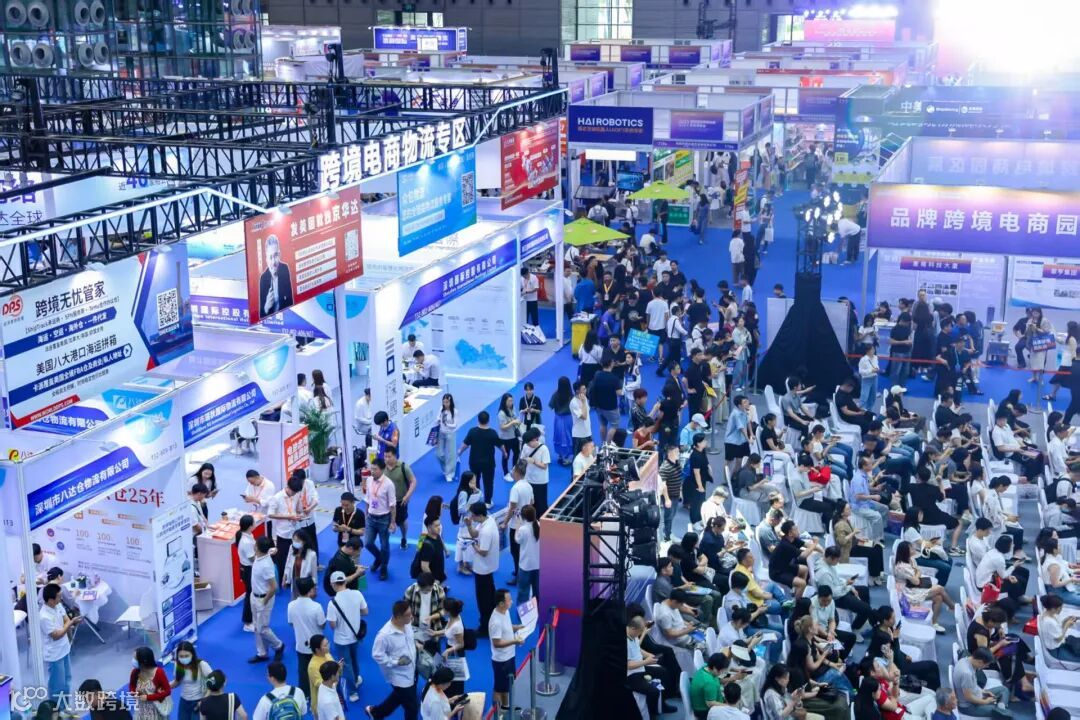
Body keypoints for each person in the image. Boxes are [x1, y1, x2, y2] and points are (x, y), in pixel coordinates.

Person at [368, 600, 419, 720]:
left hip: (412, 669)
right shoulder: (384, 635)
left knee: (399, 697)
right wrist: (396, 662)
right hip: (399, 676)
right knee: (412, 707)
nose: (411, 617)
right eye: (408, 615)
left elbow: (408, 639)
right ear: (398, 617)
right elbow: (377, 655)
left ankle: (376, 713)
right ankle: (376, 713)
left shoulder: (407, 623)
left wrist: (416, 645)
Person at [893, 541, 953, 633]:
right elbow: (916, 580)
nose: (914, 549)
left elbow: (918, 572)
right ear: (906, 552)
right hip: (908, 593)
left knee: (938, 598)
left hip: (912, 587)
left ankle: (934, 623)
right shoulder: (902, 567)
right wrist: (917, 573)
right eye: (911, 548)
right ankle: (952, 607)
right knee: (940, 588)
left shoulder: (911, 560)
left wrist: (916, 574)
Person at [326, 571, 368, 702]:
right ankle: (356, 679)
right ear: (345, 581)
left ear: (333, 584)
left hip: (341, 640)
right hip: (356, 636)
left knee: (346, 665)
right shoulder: (357, 594)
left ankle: (353, 692)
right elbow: (365, 611)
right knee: (355, 659)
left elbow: (333, 625)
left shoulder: (332, 603)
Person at [286, 577, 325, 701]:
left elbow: (291, 623)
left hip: (301, 645)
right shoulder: (317, 607)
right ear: (311, 589)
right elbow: (322, 624)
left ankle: (305, 695)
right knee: (320, 670)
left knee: (303, 671)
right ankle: (320, 693)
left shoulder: (291, 605)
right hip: (317, 646)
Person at [249, 536, 286, 663]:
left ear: (257, 548)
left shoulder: (265, 565)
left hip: (263, 598)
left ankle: (278, 645)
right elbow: (271, 550)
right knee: (256, 627)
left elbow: (274, 587)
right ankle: (262, 653)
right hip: (254, 596)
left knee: (262, 628)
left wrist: (263, 601)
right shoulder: (260, 555)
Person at [40, 583, 79, 705]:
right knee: (57, 685)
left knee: (67, 680)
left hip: (65, 649)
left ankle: (64, 705)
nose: (61, 599)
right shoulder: (44, 616)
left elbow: (66, 619)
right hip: (54, 655)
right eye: (58, 597)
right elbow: (56, 635)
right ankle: (56, 709)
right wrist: (69, 624)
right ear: (50, 600)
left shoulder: (58, 606)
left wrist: (66, 625)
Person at [466, 502, 500, 637]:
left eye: (473, 516)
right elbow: (475, 534)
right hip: (488, 567)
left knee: (483, 600)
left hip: (483, 568)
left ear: (479, 515)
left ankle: (485, 627)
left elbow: (483, 552)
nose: (471, 517)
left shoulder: (486, 531)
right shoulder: (488, 520)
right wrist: (469, 526)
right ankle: (492, 621)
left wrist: (472, 545)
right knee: (490, 596)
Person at [489, 588, 525, 713]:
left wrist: (517, 627)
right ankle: (496, 713)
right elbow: (497, 643)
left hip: (510, 656)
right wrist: (515, 641)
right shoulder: (496, 621)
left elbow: (508, 627)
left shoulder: (505, 612)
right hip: (501, 660)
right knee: (499, 688)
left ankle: (505, 707)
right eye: (509, 600)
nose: (512, 601)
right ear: (501, 603)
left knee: (507, 685)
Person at [361, 459, 396, 581]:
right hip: (371, 517)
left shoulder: (389, 484)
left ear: (382, 470)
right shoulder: (369, 480)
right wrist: (366, 513)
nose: (372, 471)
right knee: (368, 543)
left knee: (384, 545)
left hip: (384, 519)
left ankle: (384, 567)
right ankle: (380, 558)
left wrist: (393, 522)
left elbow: (392, 505)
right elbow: (368, 498)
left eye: (375, 469)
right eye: (372, 468)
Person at [831, 501, 885, 582]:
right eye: (848, 509)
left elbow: (852, 538)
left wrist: (860, 539)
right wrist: (853, 533)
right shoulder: (840, 525)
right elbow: (842, 541)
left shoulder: (846, 520)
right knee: (873, 551)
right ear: (842, 513)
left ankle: (879, 573)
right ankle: (873, 575)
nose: (850, 510)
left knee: (878, 546)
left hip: (854, 544)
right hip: (849, 550)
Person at [953, 648, 1012, 719]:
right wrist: (985, 702)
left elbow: (972, 685)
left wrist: (982, 691)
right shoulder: (966, 673)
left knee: (1004, 690)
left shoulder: (965, 660)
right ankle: (1001, 710)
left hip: (977, 695)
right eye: (986, 665)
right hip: (969, 706)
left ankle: (1001, 710)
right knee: (1001, 713)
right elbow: (969, 697)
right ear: (980, 662)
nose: (985, 667)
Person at [266, 475, 304, 580]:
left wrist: (298, 516)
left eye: (296, 492)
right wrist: (288, 517)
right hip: (283, 533)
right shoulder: (276, 498)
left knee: (296, 554)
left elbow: (297, 509)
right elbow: (270, 514)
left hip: (295, 530)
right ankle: (284, 578)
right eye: (293, 492)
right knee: (283, 558)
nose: (295, 494)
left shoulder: (296, 494)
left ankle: (295, 575)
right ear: (288, 487)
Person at [458, 411, 500, 504]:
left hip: (474, 462)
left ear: (478, 420)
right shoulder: (492, 433)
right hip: (488, 463)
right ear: (488, 420)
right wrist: (504, 453)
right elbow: (500, 445)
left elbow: (465, 444)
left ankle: (476, 500)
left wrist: (459, 451)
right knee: (488, 483)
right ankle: (488, 502)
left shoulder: (472, 431)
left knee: (474, 481)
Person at [171, 641, 212, 720]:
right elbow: (177, 681)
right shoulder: (178, 665)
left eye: (186, 656)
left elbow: (213, 684)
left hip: (198, 701)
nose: (183, 659)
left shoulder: (202, 665)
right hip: (184, 701)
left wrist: (204, 700)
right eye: (181, 656)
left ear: (192, 654)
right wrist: (164, 687)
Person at [129, 647, 171, 720]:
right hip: (141, 709)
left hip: (156, 709)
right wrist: (133, 692)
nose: (133, 661)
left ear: (144, 661)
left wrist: (148, 697)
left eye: (135, 659)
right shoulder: (135, 672)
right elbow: (132, 685)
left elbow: (167, 691)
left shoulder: (159, 673)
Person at [258, 234, 294, 317]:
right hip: (271, 321)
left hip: (285, 318)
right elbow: (261, 315)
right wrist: (266, 307)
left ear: (279, 254)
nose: (273, 262)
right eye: (270, 257)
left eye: (276, 255)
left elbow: (290, 301)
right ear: (266, 259)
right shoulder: (263, 279)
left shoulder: (284, 269)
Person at [516, 505, 540, 606]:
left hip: (525, 565)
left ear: (523, 517)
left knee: (523, 591)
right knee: (537, 590)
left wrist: (518, 524)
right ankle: (537, 608)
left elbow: (517, 540)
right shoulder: (538, 524)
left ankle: (523, 612)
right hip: (538, 564)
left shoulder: (523, 529)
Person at [283, 531, 317, 600]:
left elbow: (314, 574)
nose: (295, 542)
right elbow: (288, 563)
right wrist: (284, 577)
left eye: (297, 540)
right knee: (294, 600)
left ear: (304, 542)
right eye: (294, 540)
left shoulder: (312, 555)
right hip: (295, 582)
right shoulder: (292, 548)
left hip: (305, 584)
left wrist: (314, 588)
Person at [548, 377, 575, 466]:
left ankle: (561, 455)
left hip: (558, 419)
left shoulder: (555, 395)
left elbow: (550, 406)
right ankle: (569, 456)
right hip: (569, 419)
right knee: (569, 437)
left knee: (559, 437)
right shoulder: (571, 396)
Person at [434, 394, 458, 483]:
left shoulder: (455, 411)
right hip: (441, 433)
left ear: (450, 402)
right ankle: (445, 469)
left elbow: (455, 424)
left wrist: (447, 424)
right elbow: (437, 418)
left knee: (451, 454)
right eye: (444, 402)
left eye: (447, 402)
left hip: (450, 434)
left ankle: (450, 473)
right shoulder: (441, 409)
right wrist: (438, 420)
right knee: (439, 454)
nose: (445, 404)